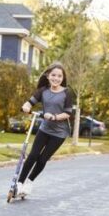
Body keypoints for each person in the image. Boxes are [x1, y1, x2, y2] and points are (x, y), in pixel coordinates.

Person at [18, 63, 76, 197]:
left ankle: (29, 183)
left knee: (42, 159)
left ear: (63, 78)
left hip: (59, 133)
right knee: (33, 155)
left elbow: (67, 113)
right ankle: (19, 183)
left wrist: (54, 117)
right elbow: (30, 102)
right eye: (54, 75)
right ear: (48, 76)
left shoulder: (67, 93)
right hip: (45, 129)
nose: (56, 78)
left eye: (59, 76)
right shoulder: (43, 90)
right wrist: (26, 106)